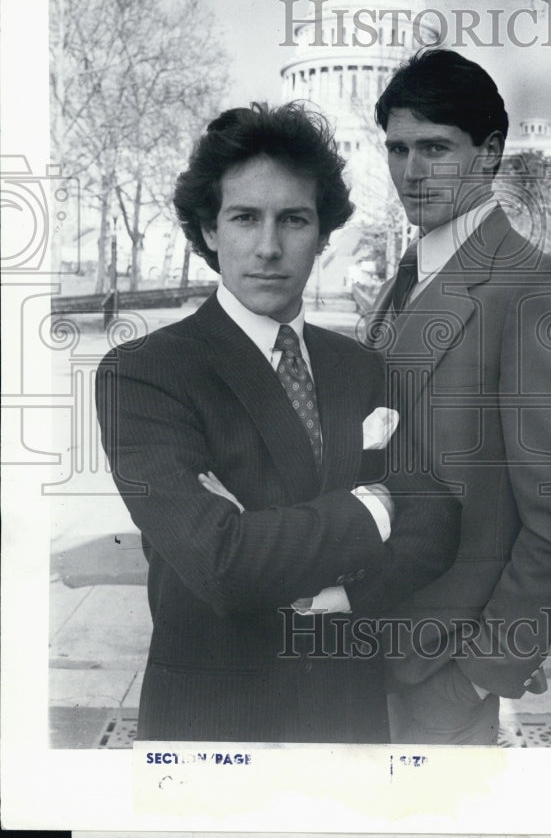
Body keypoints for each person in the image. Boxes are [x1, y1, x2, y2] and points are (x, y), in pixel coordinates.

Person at [95, 102, 460, 743]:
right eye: (244, 218)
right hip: (215, 722)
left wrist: (335, 590)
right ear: (209, 231)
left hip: (348, 713)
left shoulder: (364, 368)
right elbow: (223, 565)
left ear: (322, 237)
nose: (268, 247)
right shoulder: (145, 372)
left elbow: (435, 521)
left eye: (293, 219)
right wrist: (378, 505)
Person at [364, 49, 551, 744]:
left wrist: (480, 677)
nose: (411, 172)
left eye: (436, 148)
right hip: (363, 651)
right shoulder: (403, 280)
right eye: (398, 149)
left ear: (490, 152)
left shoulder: (536, 290)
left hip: (439, 679)